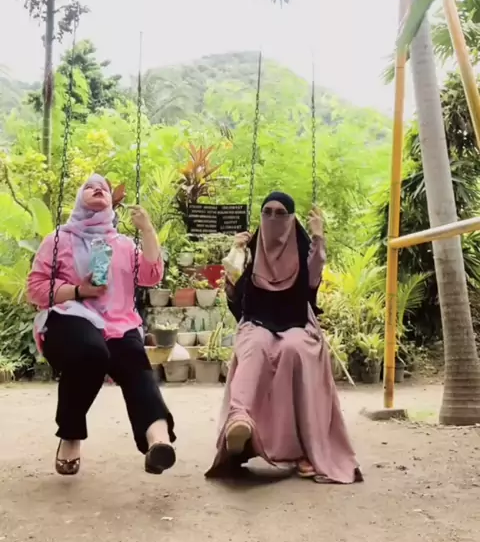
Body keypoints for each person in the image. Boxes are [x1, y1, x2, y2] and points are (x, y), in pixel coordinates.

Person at [206, 191, 362, 484]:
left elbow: (313, 278)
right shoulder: (250, 251)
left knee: (295, 350)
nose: (273, 218)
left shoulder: (304, 251)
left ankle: (306, 448)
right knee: (255, 346)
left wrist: (318, 237)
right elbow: (236, 300)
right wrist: (235, 256)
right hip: (257, 321)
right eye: (267, 212)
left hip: (297, 322)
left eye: (280, 213)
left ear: (291, 219)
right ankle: (239, 421)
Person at [27, 174, 176, 477]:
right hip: (71, 317)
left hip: (118, 324)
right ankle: (71, 436)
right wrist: (78, 291)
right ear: (79, 198)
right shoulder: (58, 239)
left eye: (104, 188)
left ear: (110, 202)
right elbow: (36, 289)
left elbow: (151, 276)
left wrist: (147, 230)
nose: (98, 189)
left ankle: (158, 442)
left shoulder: (123, 244)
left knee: (136, 364)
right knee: (91, 352)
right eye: (90, 186)